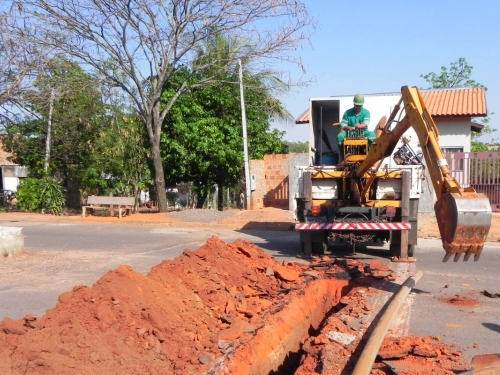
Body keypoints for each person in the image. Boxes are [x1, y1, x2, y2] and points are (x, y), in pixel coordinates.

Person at [336, 93, 377, 160]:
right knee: (339, 136)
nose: (358, 107)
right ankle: (343, 158)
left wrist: (360, 126)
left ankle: (370, 157)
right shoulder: (347, 113)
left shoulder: (366, 112)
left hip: (363, 133)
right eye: (356, 105)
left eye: (360, 106)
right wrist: (349, 128)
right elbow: (343, 124)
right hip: (350, 133)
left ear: (362, 105)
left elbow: (366, 123)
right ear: (353, 104)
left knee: (372, 135)